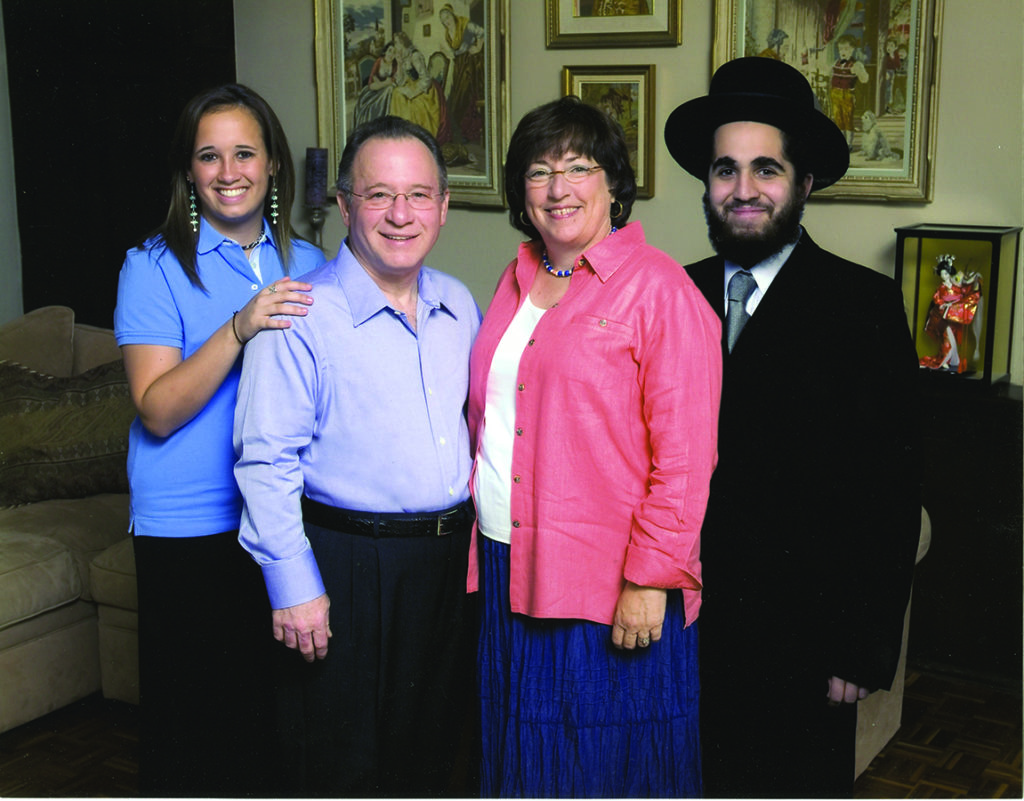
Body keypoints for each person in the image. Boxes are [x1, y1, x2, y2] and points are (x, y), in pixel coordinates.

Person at [664, 57, 921, 797]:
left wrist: (861, 649)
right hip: (683, 631)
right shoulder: (673, 293)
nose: (743, 190)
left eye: (766, 169)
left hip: (804, 646)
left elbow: (890, 492)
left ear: (804, 183)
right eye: (725, 169)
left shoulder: (863, 307)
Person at [467, 95, 722, 797]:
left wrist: (650, 579)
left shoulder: (660, 289)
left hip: (607, 582)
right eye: (539, 171)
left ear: (613, 182)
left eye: (578, 167)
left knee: (601, 768)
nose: (559, 188)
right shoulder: (516, 278)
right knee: (521, 760)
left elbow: (686, 459)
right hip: (505, 562)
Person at [233, 115, 480, 798]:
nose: (401, 215)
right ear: (345, 205)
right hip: (344, 563)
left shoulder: (460, 305)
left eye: (419, 195)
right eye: (378, 195)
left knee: (434, 756)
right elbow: (265, 461)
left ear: (443, 207)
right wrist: (294, 586)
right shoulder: (297, 315)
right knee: (340, 766)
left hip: (447, 565)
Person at [113, 83, 323, 796]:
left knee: (277, 725)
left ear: (272, 164)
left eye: (244, 153)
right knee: (197, 734)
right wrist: (239, 325)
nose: (228, 172)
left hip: (283, 519)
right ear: (188, 169)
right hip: (189, 526)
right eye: (209, 156)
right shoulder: (152, 265)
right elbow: (157, 410)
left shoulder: (310, 261)